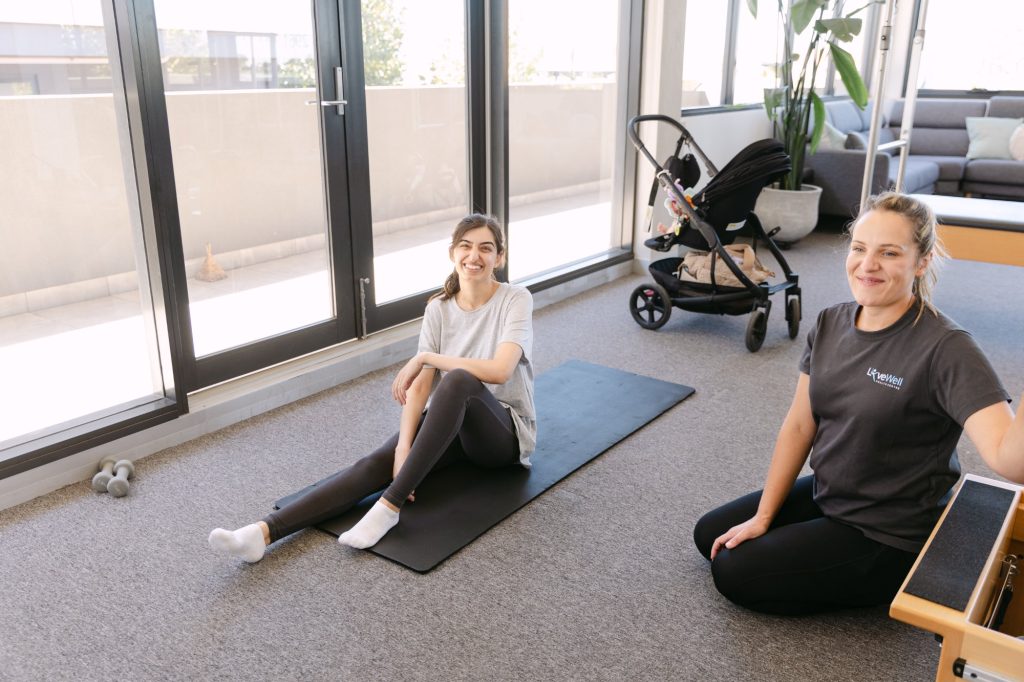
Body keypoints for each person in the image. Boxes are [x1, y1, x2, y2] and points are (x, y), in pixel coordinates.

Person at [693, 192, 1024, 615]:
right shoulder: (831, 320)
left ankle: (896, 578)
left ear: (920, 262)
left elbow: (1008, 461)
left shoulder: (947, 348)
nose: (867, 265)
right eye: (859, 248)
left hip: (886, 530)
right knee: (710, 535)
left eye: (889, 253)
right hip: (832, 490)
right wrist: (763, 516)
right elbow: (799, 425)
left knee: (734, 572)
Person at [208, 214, 535, 562]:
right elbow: (422, 387)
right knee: (372, 463)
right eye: (466, 247)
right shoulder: (438, 308)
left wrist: (427, 356)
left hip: (502, 437)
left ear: (499, 258)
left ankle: (389, 507)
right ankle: (261, 532)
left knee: (457, 381)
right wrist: (402, 449)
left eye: (486, 249)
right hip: (455, 427)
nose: (475, 256)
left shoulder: (515, 299)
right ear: (453, 253)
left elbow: (500, 371)